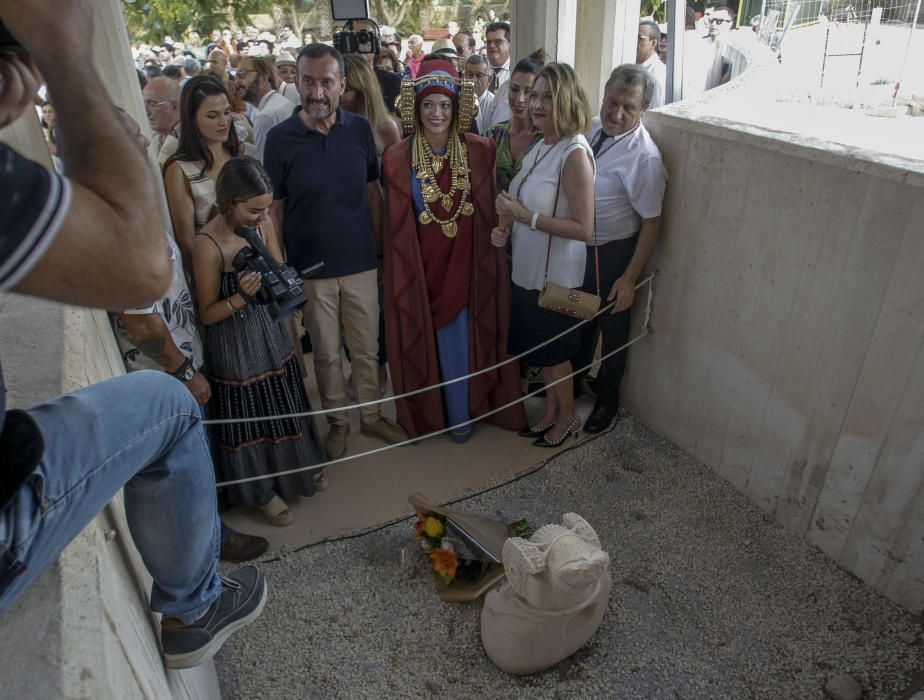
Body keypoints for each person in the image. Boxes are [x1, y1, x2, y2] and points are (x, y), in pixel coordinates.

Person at [0, 0, 264, 667]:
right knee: (171, 409)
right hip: (10, 516)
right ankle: (194, 607)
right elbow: (138, 274)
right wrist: (61, 47)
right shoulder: (150, 180)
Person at [110, 110, 270, 561]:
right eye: (131, 136)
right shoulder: (122, 225)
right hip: (163, 373)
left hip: (177, 363)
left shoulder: (125, 203)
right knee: (180, 469)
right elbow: (139, 320)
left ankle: (207, 541)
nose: (145, 142)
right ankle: (201, 559)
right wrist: (183, 372)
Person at [264, 44, 408, 460]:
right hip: (310, 270)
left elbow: (373, 195)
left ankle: (373, 416)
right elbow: (274, 210)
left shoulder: (362, 130)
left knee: (366, 348)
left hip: (361, 262)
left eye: (326, 81)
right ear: (296, 81)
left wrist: (380, 253)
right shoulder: (278, 140)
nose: (317, 91)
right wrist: (282, 270)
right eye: (308, 81)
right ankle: (337, 423)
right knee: (326, 355)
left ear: (342, 84)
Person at [382, 59, 525, 440]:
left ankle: (464, 416)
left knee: (463, 339)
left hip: (469, 265)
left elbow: (496, 206)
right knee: (427, 339)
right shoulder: (397, 157)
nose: (436, 113)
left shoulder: (481, 151)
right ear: (416, 107)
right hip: (420, 269)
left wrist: (501, 230)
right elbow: (396, 227)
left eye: (444, 104)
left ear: (456, 107)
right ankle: (434, 416)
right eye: (428, 104)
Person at [192, 156, 324, 526]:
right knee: (252, 411)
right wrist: (240, 298)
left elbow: (279, 266)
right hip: (235, 343)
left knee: (283, 397)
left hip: (269, 330)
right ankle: (262, 492)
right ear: (228, 202)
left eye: (266, 208)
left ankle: (297, 469)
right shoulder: (207, 245)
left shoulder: (263, 225)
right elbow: (206, 313)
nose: (263, 217)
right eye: (254, 210)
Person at [493, 62, 595, 448]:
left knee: (556, 354)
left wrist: (526, 217)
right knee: (542, 350)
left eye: (548, 97)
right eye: (534, 95)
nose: (536, 104)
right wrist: (506, 225)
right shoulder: (544, 144)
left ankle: (567, 418)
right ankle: (551, 412)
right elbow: (522, 205)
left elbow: (583, 228)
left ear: (566, 99)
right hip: (529, 272)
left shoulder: (574, 153)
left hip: (558, 278)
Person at [573, 65, 667, 433]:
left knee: (612, 330)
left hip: (613, 252)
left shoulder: (645, 159)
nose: (616, 114)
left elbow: (653, 221)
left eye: (629, 107)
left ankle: (606, 400)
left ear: (642, 110)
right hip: (580, 246)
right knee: (578, 318)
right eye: (612, 102)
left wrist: (629, 278)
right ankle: (575, 381)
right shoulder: (594, 127)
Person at [164, 75, 255, 269]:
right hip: (215, 274)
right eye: (212, 116)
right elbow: (187, 243)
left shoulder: (242, 153)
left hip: (257, 266)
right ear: (192, 118)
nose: (223, 122)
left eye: (227, 112)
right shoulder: (179, 170)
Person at [484, 52, 546, 193]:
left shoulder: (546, 142)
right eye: (515, 89)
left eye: (528, 92)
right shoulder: (491, 135)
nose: (520, 99)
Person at [342, 53, 402, 161]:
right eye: (337, 88)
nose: (339, 95)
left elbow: (396, 174)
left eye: (346, 90)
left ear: (364, 92)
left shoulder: (386, 128)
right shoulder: (325, 126)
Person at [235, 56, 294, 161]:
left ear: (263, 79)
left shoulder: (266, 116)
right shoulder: (277, 103)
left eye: (242, 74)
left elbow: (266, 167)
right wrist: (244, 148)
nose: (237, 82)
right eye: (236, 76)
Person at [479, 21, 513, 129]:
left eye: (498, 42)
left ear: (509, 44)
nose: (492, 46)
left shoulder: (515, 75)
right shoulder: (479, 72)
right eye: (489, 42)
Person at [143, 76, 181, 165]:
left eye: (153, 103)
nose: (146, 111)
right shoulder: (150, 136)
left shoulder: (192, 138)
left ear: (174, 106)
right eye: (143, 103)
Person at [636, 21, 666, 108]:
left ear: (653, 43)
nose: (635, 41)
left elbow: (656, 113)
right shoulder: (633, 67)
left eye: (640, 38)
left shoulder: (656, 74)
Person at [463, 54, 494, 134]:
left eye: (479, 75)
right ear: (464, 77)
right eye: (470, 75)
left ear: (489, 80)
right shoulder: (458, 101)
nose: (474, 80)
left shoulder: (494, 104)